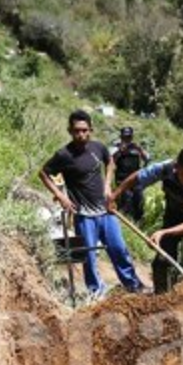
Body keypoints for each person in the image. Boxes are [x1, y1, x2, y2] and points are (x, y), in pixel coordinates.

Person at [110, 146, 183, 336]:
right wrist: (114, 195)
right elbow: (137, 177)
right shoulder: (165, 168)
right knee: (160, 262)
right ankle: (160, 306)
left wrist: (163, 233)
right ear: (177, 167)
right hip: (174, 216)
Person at [40, 110, 145, 299]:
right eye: (76, 131)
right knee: (89, 256)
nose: (81, 135)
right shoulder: (64, 154)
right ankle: (96, 292)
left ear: (91, 130)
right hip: (83, 215)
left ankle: (133, 285)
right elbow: (44, 173)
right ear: (70, 131)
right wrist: (61, 196)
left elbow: (110, 162)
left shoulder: (98, 147)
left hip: (106, 211)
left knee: (119, 249)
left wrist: (107, 186)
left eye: (84, 130)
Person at [110, 126, 149, 222]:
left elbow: (147, 159)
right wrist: (120, 152)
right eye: (125, 137)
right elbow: (110, 163)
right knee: (127, 203)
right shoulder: (115, 148)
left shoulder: (136, 148)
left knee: (139, 200)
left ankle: (139, 222)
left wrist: (140, 150)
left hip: (136, 180)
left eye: (129, 137)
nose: (127, 139)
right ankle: (126, 223)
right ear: (121, 137)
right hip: (122, 180)